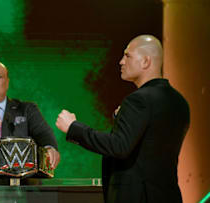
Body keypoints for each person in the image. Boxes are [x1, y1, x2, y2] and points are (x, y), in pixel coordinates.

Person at [56, 35, 190, 203]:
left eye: (127, 56)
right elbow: (151, 142)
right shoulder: (179, 102)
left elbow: (119, 146)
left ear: (145, 62)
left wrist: (73, 128)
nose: (121, 62)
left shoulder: (138, 100)